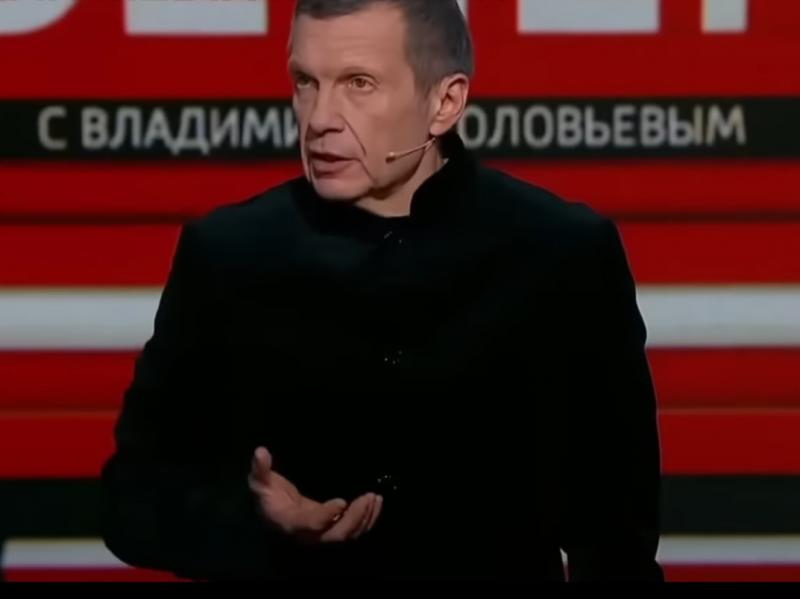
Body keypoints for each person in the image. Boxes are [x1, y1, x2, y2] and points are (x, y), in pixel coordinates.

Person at [100, 0, 664, 581]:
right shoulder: (227, 255)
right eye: (306, 82)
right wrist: (255, 520)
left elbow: (617, 539)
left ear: (445, 103)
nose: (320, 118)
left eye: (358, 84)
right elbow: (130, 500)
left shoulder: (563, 256)